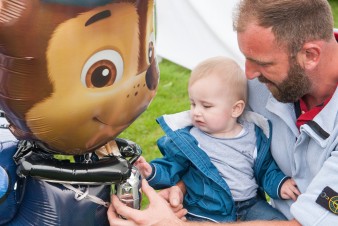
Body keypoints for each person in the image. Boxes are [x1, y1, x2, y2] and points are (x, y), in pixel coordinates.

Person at [107, 0, 338, 225]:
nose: (248, 75)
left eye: (262, 63)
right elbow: (216, 147)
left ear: (310, 55)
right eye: (245, 58)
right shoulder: (268, 82)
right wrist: (184, 188)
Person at [133, 56, 299, 222]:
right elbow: (173, 165)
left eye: (206, 106)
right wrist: (152, 171)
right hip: (206, 209)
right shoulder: (191, 139)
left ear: (235, 109)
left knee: (275, 221)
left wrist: (279, 184)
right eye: (193, 103)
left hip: (250, 204)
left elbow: (265, 169)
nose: (196, 112)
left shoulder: (253, 135)